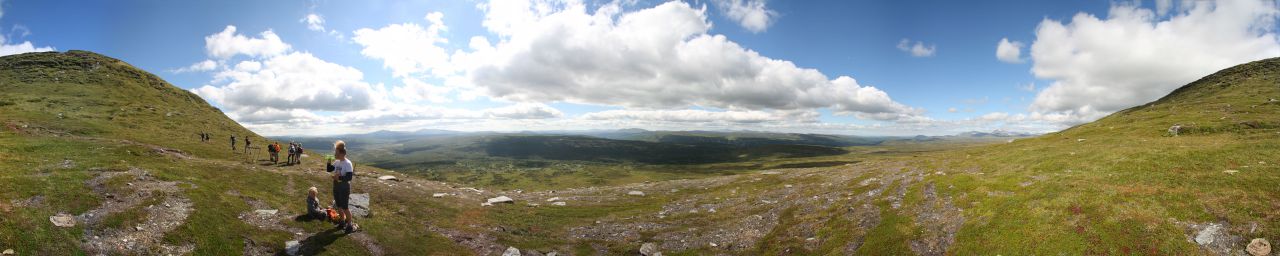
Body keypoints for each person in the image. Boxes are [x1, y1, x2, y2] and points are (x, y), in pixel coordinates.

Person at [326, 140, 357, 232]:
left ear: (341, 153)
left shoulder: (347, 163)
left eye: (336, 152)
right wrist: (328, 161)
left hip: (344, 187)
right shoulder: (337, 162)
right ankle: (342, 221)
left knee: (345, 207)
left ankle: (349, 225)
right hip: (336, 185)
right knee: (339, 205)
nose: (335, 154)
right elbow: (329, 169)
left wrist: (338, 177)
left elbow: (349, 177)